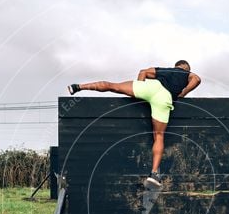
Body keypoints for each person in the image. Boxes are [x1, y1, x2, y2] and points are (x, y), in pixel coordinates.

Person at [67, 60, 201, 188]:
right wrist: (183, 92)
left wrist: (139, 92)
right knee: (159, 136)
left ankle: (77, 87)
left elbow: (143, 72)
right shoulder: (187, 74)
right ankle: (154, 174)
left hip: (150, 87)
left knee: (113, 86)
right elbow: (197, 79)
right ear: (186, 69)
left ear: (175, 66)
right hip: (164, 97)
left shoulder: (165, 70)